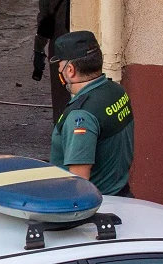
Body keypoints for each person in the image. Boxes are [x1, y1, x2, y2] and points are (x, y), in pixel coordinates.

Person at [49, 31, 135, 197]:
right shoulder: (115, 91)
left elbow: (79, 184)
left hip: (98, 205)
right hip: (121, 193)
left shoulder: (81, 116)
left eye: (60, 66)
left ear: (70, 70)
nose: (59, 71)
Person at [32, 0, 71, 122]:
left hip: (59, 46)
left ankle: (61, 131)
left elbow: (44, 18)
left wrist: (38, 50)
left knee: (61, 95)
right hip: (85, 45)